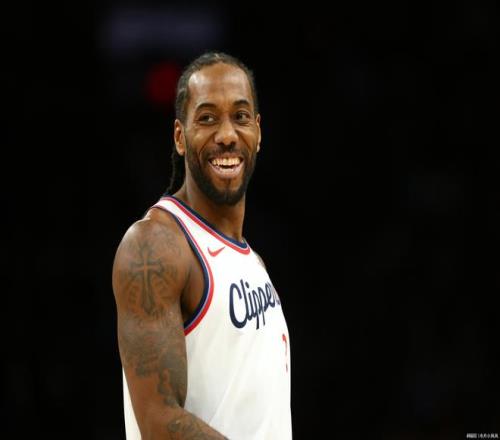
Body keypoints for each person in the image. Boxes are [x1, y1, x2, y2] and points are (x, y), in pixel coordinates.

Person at [112, 52, 291, 439]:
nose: (227, 134)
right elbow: (158, 422)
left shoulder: (253, 262)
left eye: (240, 116)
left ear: (258, 132)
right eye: (207, 118)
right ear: (180, 137)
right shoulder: (155, 245)